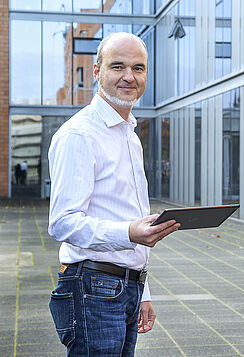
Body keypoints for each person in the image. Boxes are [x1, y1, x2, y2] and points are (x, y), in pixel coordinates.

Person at [48, 32, 180, 356]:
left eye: (138, 68)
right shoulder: (80, 135)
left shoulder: (130, 136)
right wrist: (130, 233)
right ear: (96, 72)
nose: (129, 77)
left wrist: (142, 288)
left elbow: (130, 213)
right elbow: (62, 222)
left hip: (126, 286)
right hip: (92, 288)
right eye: (118, 66)